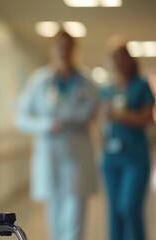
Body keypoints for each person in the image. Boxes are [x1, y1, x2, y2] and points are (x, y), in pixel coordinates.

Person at [14, 30, 99, 240]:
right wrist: (45, 124)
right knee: (54, 220)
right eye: (59, 46)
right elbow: (20, 118)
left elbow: (92, 111)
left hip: (77, 157)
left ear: (74, 49)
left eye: (68, 46)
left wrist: (71, 117)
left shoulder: (86, 81)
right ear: (51, 49)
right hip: (49, 157)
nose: (63, 51)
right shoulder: (40, 81)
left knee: (75, 219)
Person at [99, 36, 154, 240]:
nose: (119, 60)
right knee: (114, 212)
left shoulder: (140, 86)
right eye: (114, 56)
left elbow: (147, 117)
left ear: (130, 59)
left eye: (122, 55)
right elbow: (103, 122)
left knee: (129, 206)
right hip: (111, 158)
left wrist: (121, 115)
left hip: (135, 157)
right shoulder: (107, 89)